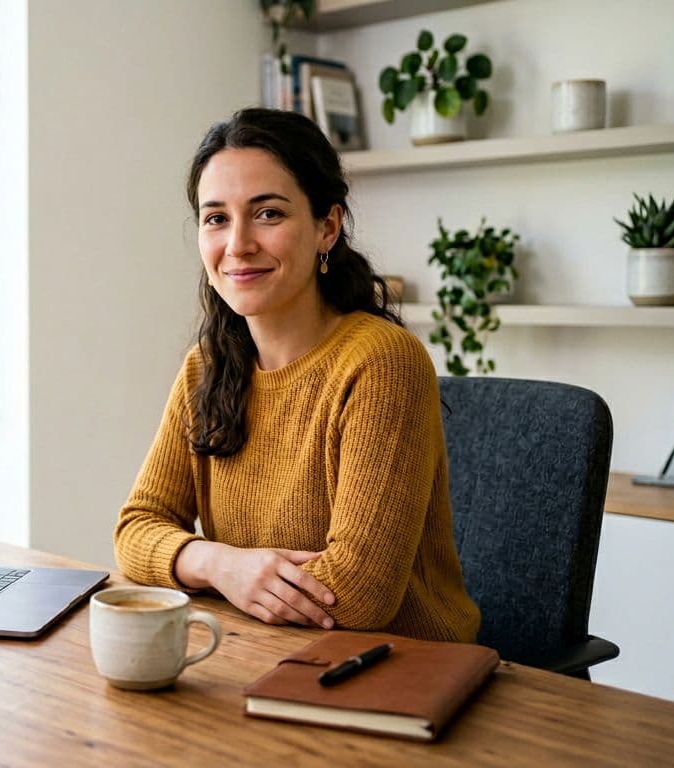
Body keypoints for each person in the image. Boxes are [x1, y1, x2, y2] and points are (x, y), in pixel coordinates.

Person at [113, 108, 479, 643]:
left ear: (326, 227)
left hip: (398, 668)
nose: (237, 244)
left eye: (267, 214)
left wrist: (211, 566)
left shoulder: (381, 362)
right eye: (216, 218)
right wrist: (221, 565)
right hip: (258, 652)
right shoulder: (207, 367)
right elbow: (135, 530)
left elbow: (358, 594)